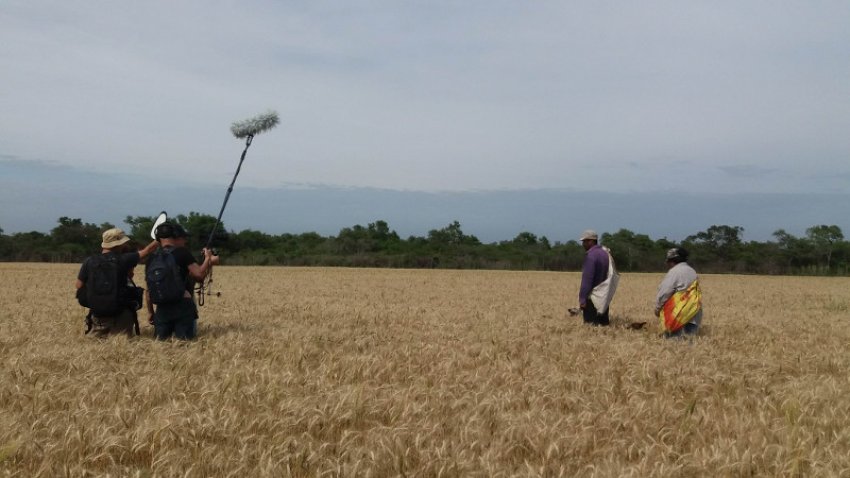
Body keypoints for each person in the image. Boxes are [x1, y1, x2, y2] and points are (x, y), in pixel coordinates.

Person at [76, 228, 159, 338]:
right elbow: (148, 250)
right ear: (119, 244)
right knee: (121, 342)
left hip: (97, 313)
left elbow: (79, 285)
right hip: (121, 313)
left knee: (97, 344)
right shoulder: (124, 259)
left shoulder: (89, 261)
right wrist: (160, 237)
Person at [145, 222, 218, 340]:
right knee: (185, 345)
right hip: (182, 305)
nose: (185, 241)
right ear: (176, 236)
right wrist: (208, 259)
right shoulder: (182, 252)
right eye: (183, 238)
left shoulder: (151, 258)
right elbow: (199, 275)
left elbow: (148, 291)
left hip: (161, 308)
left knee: (161, 347)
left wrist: (150, 312)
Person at [655, 247, 703, 338]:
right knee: (689, 347)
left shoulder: (674, 272)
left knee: (674, 347)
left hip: (677, 316)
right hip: (694, 316)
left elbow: (664, 293)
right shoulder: (692, 271)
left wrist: (657, 310)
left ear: (671, 261)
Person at [578, 229, 616, 326]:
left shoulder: (591, 256)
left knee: (591, 328)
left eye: (584, 241)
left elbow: (587, 279)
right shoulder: (605, 254)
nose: (583, 244)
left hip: (592, 298)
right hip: (603, 296)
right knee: (604, 327)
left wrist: (582, 299)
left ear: (591, 241)